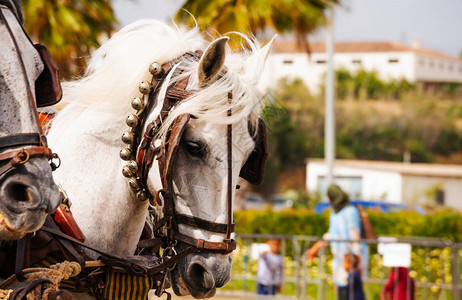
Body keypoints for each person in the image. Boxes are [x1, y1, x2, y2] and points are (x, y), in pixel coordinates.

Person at [307, 184, 369, 299]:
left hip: (352, 261)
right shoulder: (334, 213)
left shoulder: (350, 211)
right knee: (342, 293)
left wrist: (356, 261)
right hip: (341, 262)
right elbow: (332, 234)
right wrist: (316, 247)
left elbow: (355, 236)